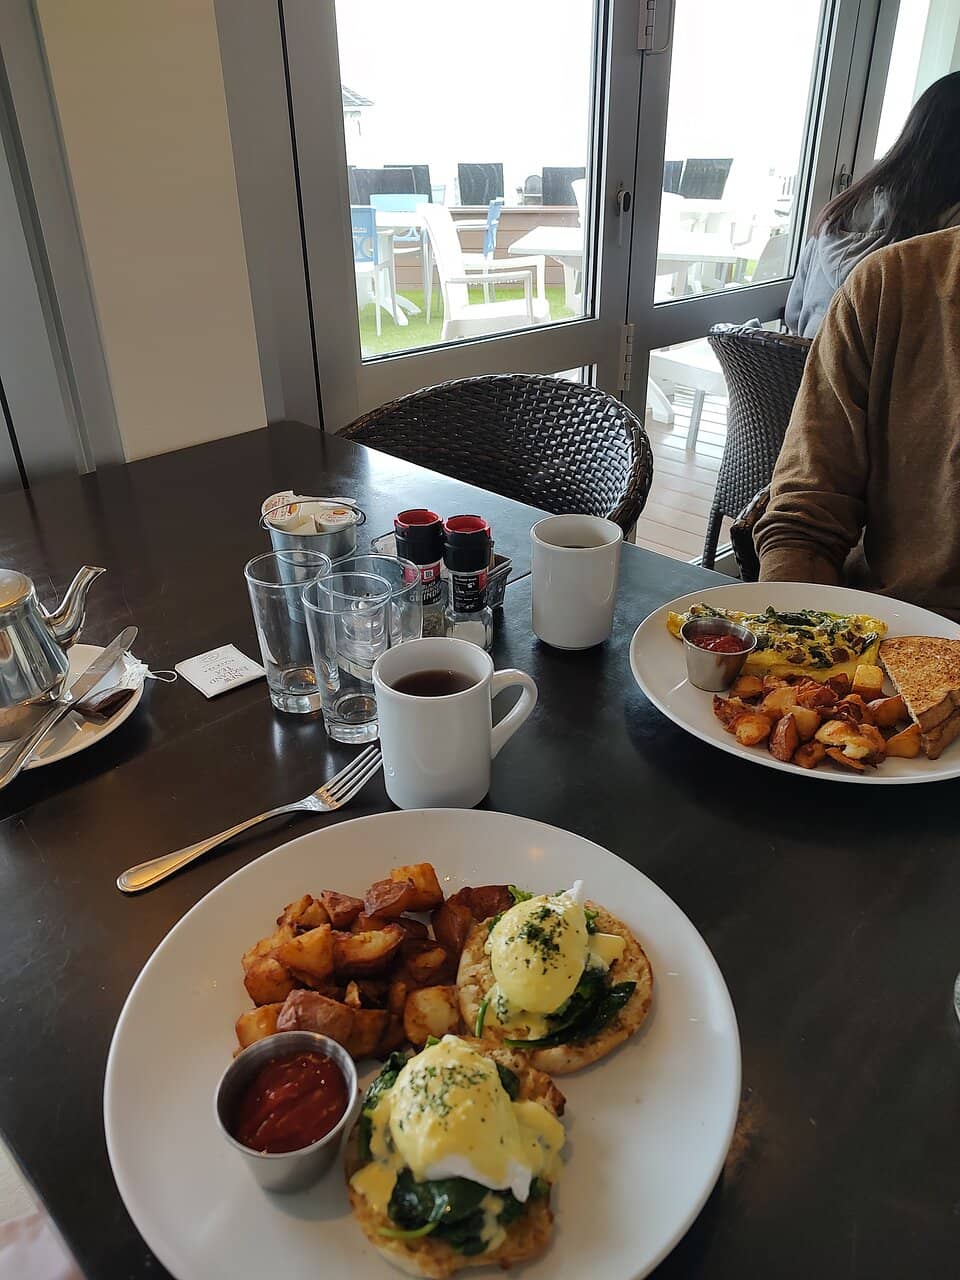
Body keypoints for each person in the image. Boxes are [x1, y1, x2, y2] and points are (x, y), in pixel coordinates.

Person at [754, 224, 960, 621]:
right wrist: (793, 643)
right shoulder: (890, 281)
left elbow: (794, 313)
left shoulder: (835, 231)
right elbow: (806, 515)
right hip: (886, 622)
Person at [785, 71, 960, 339]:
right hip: (887, 368)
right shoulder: (947, 236)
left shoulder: (841, 210)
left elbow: (794, 316)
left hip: (809, 362)